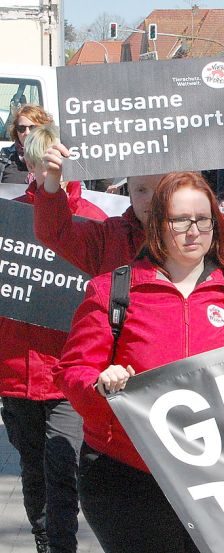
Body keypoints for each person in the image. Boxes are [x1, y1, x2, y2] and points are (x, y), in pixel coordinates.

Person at [52, 172, 224, 553]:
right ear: (158, 224)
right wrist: (99, 384)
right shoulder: (113, 290)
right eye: (180, 220)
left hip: (219, 475)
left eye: (203, 218)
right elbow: (72, 371)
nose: (193, 230)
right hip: (128, 476)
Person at [0, 125, 107, 553]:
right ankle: (46, 539)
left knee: (62, 466)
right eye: (36, 159)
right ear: (27, 163)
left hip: (67, 370)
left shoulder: (94, 220)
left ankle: (61, 545)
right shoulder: (9, 219)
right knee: (32, 467)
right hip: (15, 369)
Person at [35, 131, 224, 277]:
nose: (152, 198)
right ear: (127, 190)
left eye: (162, 187)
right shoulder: (109, 240)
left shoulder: (206, 235)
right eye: (141, 189)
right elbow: (55, 233)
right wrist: (52, 185)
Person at [1, 104, 52, 184]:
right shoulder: (5, 158)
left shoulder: (54, 156)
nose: (27, 132)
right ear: (16, 131)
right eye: (21, 128)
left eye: (33, 128)